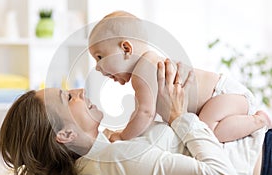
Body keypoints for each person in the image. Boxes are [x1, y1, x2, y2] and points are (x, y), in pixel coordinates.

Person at [0, 60, 268, 175]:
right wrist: (180, 116)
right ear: (65, 134)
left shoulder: (100, 149)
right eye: (68, 98)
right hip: (264, 161)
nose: (80, 92)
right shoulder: (120, 160)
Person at [88, 10, 271, 143]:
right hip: (222, 97)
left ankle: (258, 120)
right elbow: (140, 115)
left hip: (223, 95)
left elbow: (145, 114)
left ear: (126, 49)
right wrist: (126, 130)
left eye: (99, 57)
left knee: (206, 133)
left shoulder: (143, 71)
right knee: (201, 129)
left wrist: (121, 137)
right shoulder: (145, 69)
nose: (97, 67)